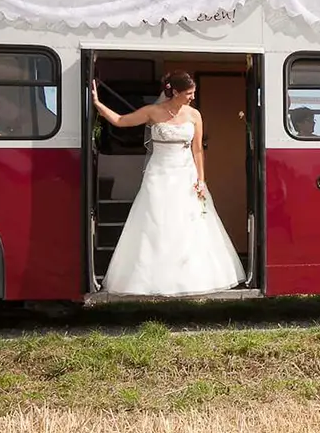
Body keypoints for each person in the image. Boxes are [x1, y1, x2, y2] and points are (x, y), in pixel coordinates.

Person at [91, 71, 246, 295]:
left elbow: (198, 150)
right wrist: (97, 103)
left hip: (186, 174)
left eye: (193, 93)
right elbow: (120, 121)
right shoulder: (153, 112)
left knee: (188, 224)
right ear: (174, 92)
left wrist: (201, 180)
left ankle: (188, 279)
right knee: (155, 223)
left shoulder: (194, 115)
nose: (192, 97)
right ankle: (151, 280)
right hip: (158, 174)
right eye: (188, 93)